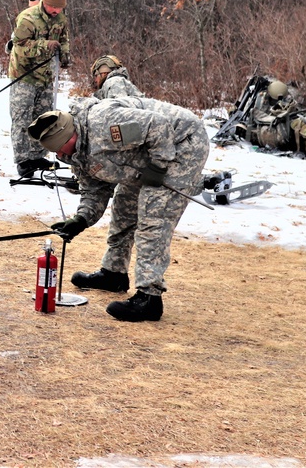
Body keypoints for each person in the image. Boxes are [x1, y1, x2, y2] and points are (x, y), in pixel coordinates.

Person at [27, 95, 209, 322]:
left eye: (59, 150)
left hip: (183, 143)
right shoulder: (78, 152)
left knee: (153, 219)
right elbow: (95, 189)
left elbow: (158, 125)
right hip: (146, 156)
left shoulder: (105, 124)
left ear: (70, 136)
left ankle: (149, 298)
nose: (59, 157)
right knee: (124, 207)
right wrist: (81, 219)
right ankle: (114, 274)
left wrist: (158, 166)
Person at [8, 0, 72, 177]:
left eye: (60, 8)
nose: (57, 11)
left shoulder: (60, 19)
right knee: (22, 119)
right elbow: (18, 47)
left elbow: (64, 39)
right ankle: (23, 160)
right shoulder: (28, 18)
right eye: (54, 7)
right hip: (24, 75)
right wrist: (44, 45)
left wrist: (65, 54)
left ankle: (37, 155)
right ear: (45, 2)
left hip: (46, 77)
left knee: (43, 118)